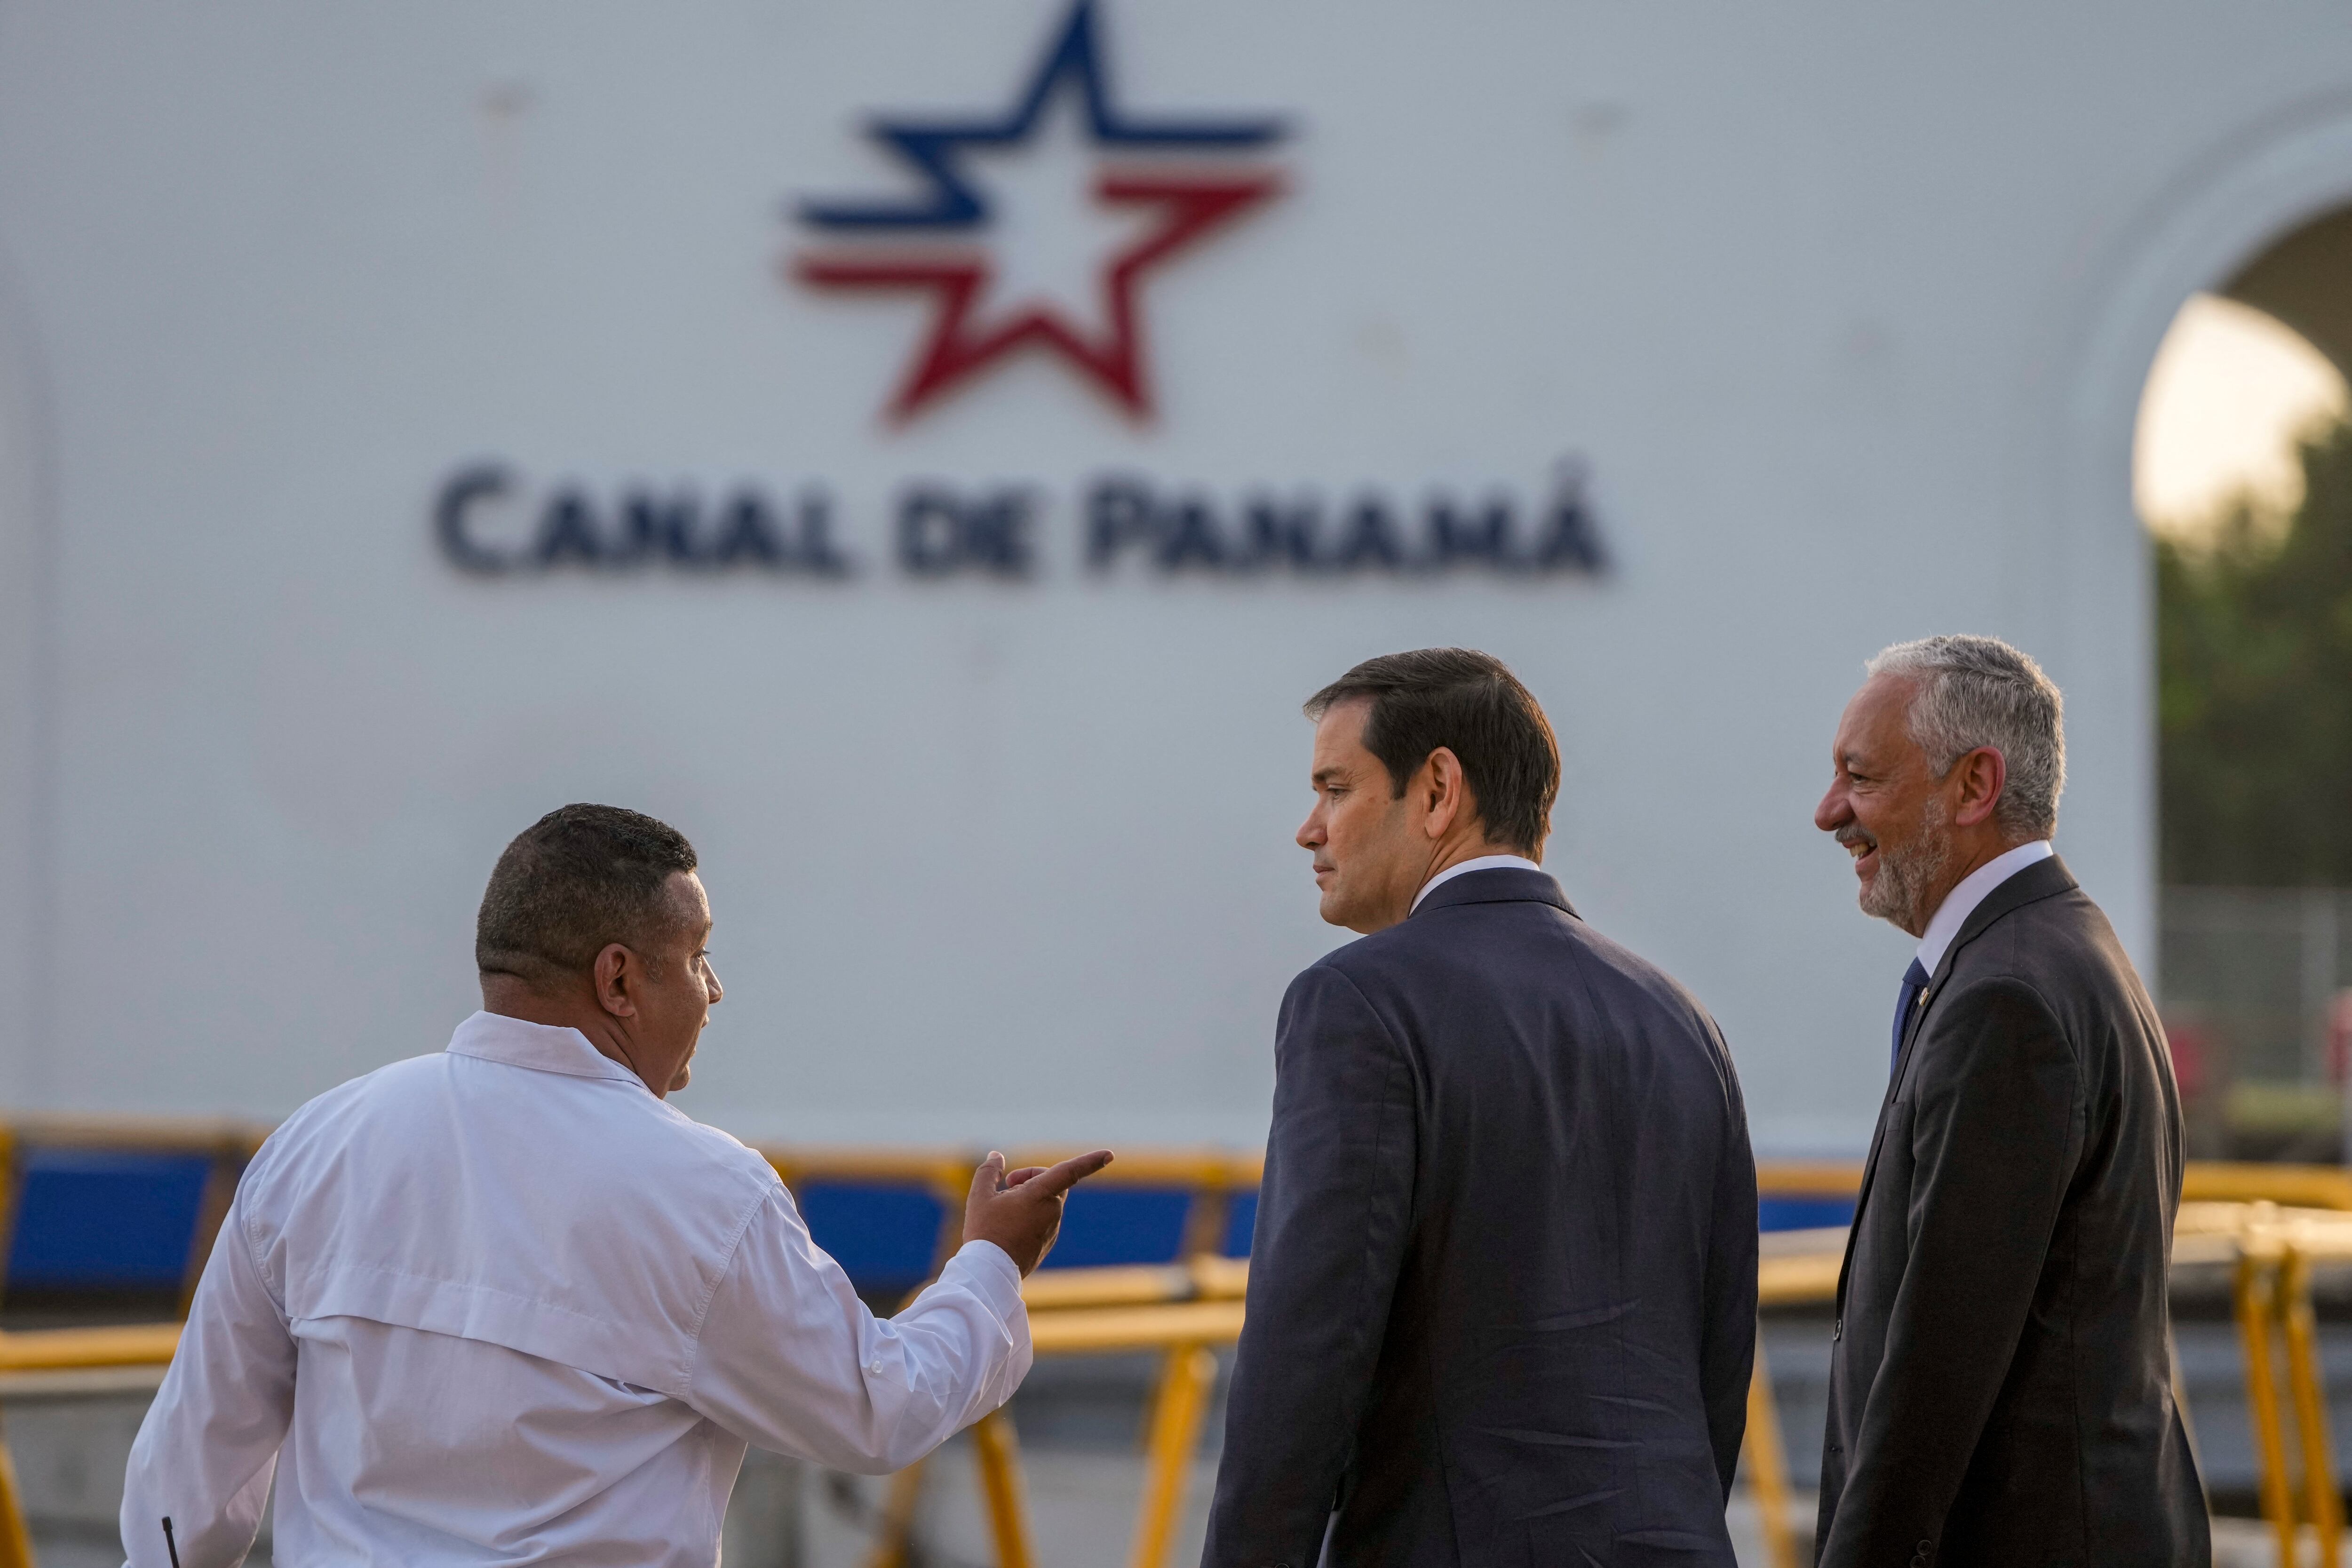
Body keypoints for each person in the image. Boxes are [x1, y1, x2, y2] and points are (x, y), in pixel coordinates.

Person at [120, 803, 1111, 1567]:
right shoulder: (704, 1191)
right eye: (699, 956)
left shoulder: (316, 1145)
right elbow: (876, 1407)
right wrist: (991, 1262)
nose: (714, 990)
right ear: (620, 980)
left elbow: (193, 1471)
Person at [1204, 648, 1758, 1568]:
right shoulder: (1682, 1019)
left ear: (1437, 790)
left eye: (1335, 788)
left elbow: (1307, 1352)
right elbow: (1718, 1351)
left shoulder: (1358, 1001)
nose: (1309, 829)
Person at [1812, 637, 2206, 1566]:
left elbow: (1939, 1363)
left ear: (1974, 785)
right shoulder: (2064, 952)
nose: (1828, 812)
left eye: (1860, 777)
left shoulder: (2005, 997)